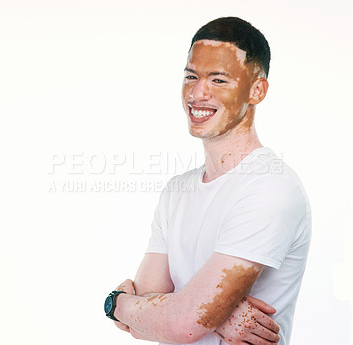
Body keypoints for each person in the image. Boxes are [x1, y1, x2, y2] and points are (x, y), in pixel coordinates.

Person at [103, 17, 311, 345]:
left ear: (257, 90)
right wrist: (209, 314)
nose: (198, 93)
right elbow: (149, 319)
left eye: (218, 79)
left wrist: (118, 303)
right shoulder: (177, 191)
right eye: (191, 76)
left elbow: (181, 325)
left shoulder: (270, 188)